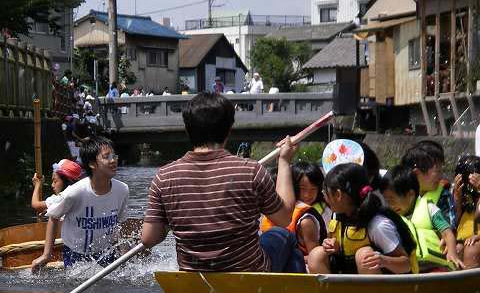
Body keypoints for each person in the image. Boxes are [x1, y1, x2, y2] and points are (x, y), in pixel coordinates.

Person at [141, 92, 305, 273]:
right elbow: (284, 218)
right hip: (249, 274)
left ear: (188, 130)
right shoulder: (251, 171)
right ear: (229, 129)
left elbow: (148, 238)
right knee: (284, 235)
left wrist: (175, 219)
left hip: (196, 280)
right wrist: (284, 162)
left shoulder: (164, 177)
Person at [32, 137, 129, 270]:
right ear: (92, 164)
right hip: (75, 254)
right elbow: (53, 217)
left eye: (114, 156)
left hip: (106, 252)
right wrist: (46, 255)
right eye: (107, 157)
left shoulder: (122, 190)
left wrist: (124, 255)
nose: (113, 160)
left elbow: (120, 223)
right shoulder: (75, 192)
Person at [307, 163, 417, 274]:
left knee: (364, 255)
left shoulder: (377, 225)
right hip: (348, 278)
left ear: (338, 195)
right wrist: (331, 244)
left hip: (382, 285)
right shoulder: (337, 215)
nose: (323, 196)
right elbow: (336, 243)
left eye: (325, 192)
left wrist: (384, 261)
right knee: (316, 255)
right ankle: (331, 291)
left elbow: (406, 265)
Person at [380, 165, 461, 270]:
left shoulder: (429, 208)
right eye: (387, 201)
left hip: (435, 266)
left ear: (410, 195)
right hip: (409, 270)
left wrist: (452, 254)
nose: (390, 205)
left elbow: (447, 233)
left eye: (392, 200)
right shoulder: (389, 219)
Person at [260, 161, 327, 258]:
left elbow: (315, 257)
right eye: (302, 189)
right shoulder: (269, 214)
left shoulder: (307, 219)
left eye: (313, 189)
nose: (307, 195)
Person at [401, 140, 456, 228]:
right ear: (416, 173)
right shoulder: (402, 195)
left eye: (441, 170)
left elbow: (449, 229)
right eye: (437, 171)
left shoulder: (444, 196)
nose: (441, 176)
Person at [453, 155, 480, 267]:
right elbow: (456, 220)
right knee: (457, 250)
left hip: (476, 238)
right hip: (462, 238)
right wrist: (457, 199)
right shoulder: (464, 198)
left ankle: (471, 284)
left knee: (471, 251)